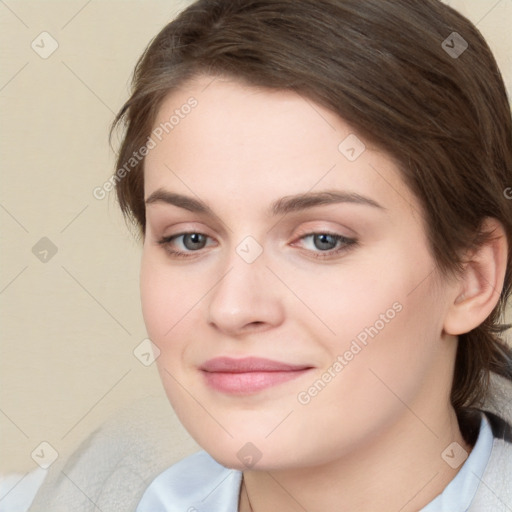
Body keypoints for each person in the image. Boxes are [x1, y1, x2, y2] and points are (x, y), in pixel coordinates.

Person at [26, 0, 512, 510]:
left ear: (472, 278)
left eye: (323, 239)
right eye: (191, 239)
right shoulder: (92, 486)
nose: (232, 308)